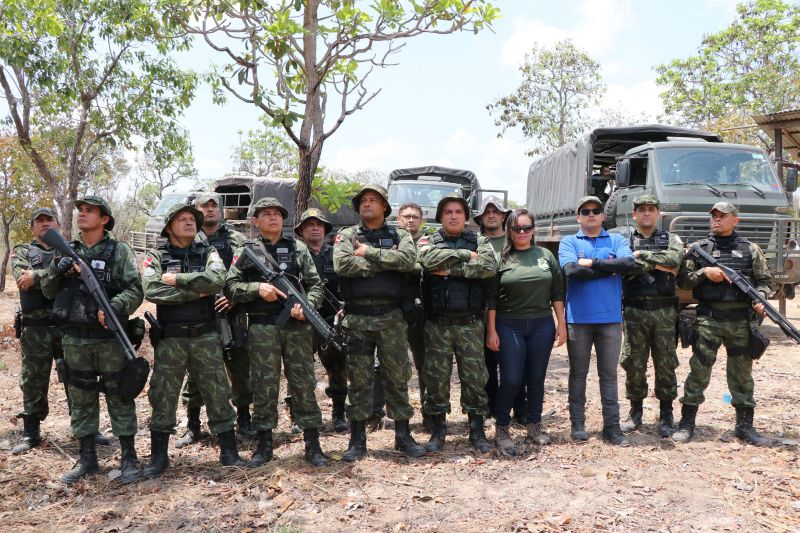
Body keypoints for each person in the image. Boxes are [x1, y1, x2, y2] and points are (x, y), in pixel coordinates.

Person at [41, 196, 144, 484]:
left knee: (120, 396)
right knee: (81, 397)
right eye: (81, 211)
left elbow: (135, 289)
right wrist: (58, 268)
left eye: (90, 211)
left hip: (109, 338)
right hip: (74, 338)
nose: (82, 215)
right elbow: (48, 291)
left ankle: (129, 457)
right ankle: (87, 460)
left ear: (105, 219)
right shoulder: (66, 251)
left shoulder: (119, 250)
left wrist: (114, 308)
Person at [142, 204, 245, 477]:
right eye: (182, 219)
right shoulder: (156, 255)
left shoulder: (208, 251)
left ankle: (229, 451)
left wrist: (177, 280)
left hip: (206, 335)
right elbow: (152, 289)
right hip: (170, 338)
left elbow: (216, 280)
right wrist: (193, 292)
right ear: (168, 226)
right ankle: (158, 457)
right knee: (162, 396)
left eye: (192, 219)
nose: (190, 223)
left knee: (218, 392)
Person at [225, 197, 329, 467]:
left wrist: (307, 308)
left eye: (277, 214)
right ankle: (264, 445)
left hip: (296, 328)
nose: (273, 218)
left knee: (304, 384)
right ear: (255, 221)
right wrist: (257, 289)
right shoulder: (246, 251)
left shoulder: (298, 248)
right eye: (266, 214)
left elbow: (316, 285)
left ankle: (313, 444)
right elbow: (231, 286)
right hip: (261, 327)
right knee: (263, 384)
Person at [333, 185, 426, 460]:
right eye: (363, 201)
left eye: (373, 200)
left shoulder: (400, 233)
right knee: (359, 381)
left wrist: (368, 253)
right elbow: (342, 265)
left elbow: (409, 260)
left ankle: (403, 436)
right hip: (358, 319)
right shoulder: (347, 235)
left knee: (397, 378)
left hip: (391, 318)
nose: (367, 204)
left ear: (384, 206)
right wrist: (387, 261)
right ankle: (357, 440)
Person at [673, 202, 774, 447]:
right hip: (708, 319)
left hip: (741, 321)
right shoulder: (698, 249)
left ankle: (744, 427)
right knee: (699, 371)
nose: (716, 220)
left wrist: (761, 300)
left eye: (722, 216)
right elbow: (684, 281)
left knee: (741, 376)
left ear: (735, 220)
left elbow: (764, 282)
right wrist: (704, 272)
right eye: (714, 216)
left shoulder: (751, 249)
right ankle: (687, 423)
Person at [417, 194, 496, 453]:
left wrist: (451, 269)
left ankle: (477, 430)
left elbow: (487, 266)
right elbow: (426, 262)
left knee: (475, 379)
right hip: (437, 324)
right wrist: (465, 256)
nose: (453, 216)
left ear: (465, 216)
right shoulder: (428, 239)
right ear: (440, 217)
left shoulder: (480, 240)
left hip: (470, 324)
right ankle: (438, 430)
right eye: (448, 212)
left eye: (458, 212)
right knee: (436, 379)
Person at [176, 192, 254, 448]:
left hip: (231, 312)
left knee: (240, 368)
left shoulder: (236, 238)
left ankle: (243, 418)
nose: (209, 210)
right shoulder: (187, 238)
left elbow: (252, 271)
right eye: (204, 206)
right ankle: (193, 425)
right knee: (196, 371)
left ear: (220, 211)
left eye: (213, 206)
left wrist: (235, 297)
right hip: (197, 313)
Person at [486, 208, 566, 455]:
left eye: (526, 228)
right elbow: (491, 300)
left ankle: (534, 424)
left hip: (541, 324)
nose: (522, 232)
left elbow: (557, 293)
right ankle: (502, 427)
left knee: (536, 378)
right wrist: (491, 330)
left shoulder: (545, 256)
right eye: (516, 228)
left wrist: (561, 324)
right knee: (511, 378)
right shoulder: (501, 258)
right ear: (509, 230)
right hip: (509, 324)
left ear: (533, 229)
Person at [558, 195, 635, 446]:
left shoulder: (617, 239)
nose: (591, 214)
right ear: (578, 217)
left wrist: (593, 263)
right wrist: (609, 268)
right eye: (585, 211)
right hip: (578, 320)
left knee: (609, 375)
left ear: (603, 216)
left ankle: (612, 427)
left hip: (610, 320)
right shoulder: (569, 241)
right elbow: (571, 271)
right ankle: (578, 425)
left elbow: (628, 263)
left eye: (596, 210)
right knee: (578, 374)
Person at [618, 194, 683, 437]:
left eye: (651, 209)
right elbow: (623, 263)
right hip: (634, 309)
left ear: (658, 214)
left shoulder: (671, 238)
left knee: (666, 363)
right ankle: (635, 412)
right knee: (634, 362)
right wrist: (660, 263)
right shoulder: (623, 240)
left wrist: (643, 257)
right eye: (641, 209)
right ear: (634, 214)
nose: (646, 213)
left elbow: (675, 259)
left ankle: (666, 414)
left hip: (664, 310)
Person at [11, 208, 63, 455]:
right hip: (35, 328)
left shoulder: (69, 249)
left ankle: (87, 430)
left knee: (78, 377)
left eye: (49, 220)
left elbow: (74, 274)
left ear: (58, 224)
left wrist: (38, 275)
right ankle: (31, 431)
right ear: (32, 228)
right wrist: (56, 273)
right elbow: (22, 280)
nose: (44, 224)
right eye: (39, 221)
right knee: (33, 380)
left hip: (67, 325)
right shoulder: (23, 251)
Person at [294, 207, 348, 433]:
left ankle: (338, 415)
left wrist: (347, 305)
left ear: (325, 230)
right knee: (299, 370)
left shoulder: (336, 253)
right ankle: (299, 416)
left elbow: (348, 282)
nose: (314, 228)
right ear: (302, 231)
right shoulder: (296, 254)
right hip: (303, 321)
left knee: (338, 369)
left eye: (318, 225)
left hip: (332, 320)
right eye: (309, 225)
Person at [474, 196, 526, 421]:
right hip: (479, 311)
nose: (492, 215)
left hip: (510, 312)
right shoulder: (474, 242)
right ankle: (491, 408)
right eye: (487, 212)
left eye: (496, 211)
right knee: (485, 364)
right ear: (481, 218)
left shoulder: (514, 241)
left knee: (512, 363)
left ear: (504, 216)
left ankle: (519, 408)